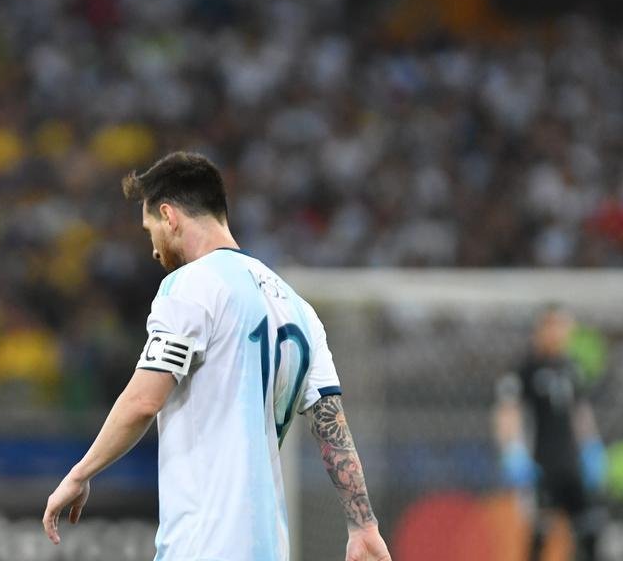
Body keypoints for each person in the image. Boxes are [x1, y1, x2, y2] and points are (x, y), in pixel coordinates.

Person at [42, 151, 391, 561]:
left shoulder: (191, 286)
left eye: (149, 227)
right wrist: (363, 525)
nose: (153, 248)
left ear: (169, 216)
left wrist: (80, 474)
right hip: (268, 547)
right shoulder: (299, 309)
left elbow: (142, 400)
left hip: (204, 543)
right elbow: (332, 426)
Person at [494, 305, 608, 561]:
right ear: (540, 329)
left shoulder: (572, 368)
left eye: (564, 326)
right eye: (553, 326)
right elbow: (507, 412)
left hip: (573, 464)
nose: (558, 333)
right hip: (540, 466)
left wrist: (592, 447)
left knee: (591, 531)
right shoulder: (524, 369)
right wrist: (512, 450)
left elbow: (580, 412)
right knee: (540, 536)